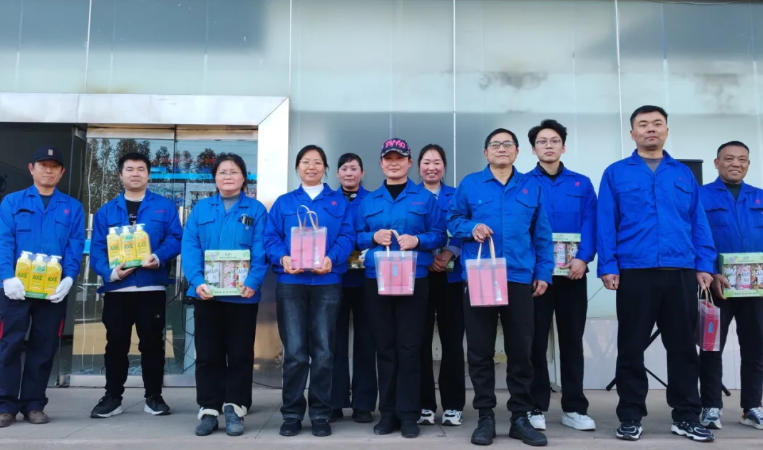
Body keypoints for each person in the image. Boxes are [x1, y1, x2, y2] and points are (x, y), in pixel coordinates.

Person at [597, 105, 717, 442]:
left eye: (657, 124)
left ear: (666, 130)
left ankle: (686, 415)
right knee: (631, 347)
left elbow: (698, 222)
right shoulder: (616, 173)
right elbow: (606, 221)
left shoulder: (683, 174)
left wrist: (704, 264)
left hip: (680, 271)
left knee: (683, 348)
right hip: (635, 272)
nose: (650, 129)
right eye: (643, 124)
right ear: (632, 133)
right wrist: (608, 265)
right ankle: (631, 415)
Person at [448, 128, 553, 447]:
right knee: (480, 350)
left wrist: (544, 272)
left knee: (521, 350)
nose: (501, 148)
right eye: (495, 144)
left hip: (519, 277)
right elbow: (452, 221)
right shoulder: (470, 184)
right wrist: (471, 227)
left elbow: (542, 235)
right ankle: (485, 416)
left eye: (508, 144)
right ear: (486, 152)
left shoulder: (531, 187)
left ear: (517, 152)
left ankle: (520, 416)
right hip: (480, 276)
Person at [356, 138, 446, 438]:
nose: (394, 163)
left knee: (409, 347)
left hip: (413, 279)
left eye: (400, 158)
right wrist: (373, 237)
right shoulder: (369, 201)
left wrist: (418, 240)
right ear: (381, 164)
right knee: (385, 347)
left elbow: (439, 235)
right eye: (388, 159)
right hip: (377, 280)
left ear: (409, 163)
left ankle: (409, 414)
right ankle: (388, 413)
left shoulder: (425, 199)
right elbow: (356, 236)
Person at [265, 145, 354, 438]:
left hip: (327, 283)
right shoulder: (284, 203)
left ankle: (320, 413)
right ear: (297, 168)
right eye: (306, 162)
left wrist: (332, 259)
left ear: (325, 168)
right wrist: (282, 258)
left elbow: (348, 235)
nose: (311, 167)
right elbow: (270, 237)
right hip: (291, 284)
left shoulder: (338, 201)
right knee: (295, 353)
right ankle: (291, 413)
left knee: (324, 352)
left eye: (317, 162)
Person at [88, 152, 183, 419]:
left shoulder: (164, 207)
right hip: (118, 290)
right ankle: (112, 397)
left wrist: (159, 256)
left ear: (148, 175)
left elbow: (176, 238)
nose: (135, 173)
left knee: (152, 344)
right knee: (115, 344)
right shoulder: (107, 211)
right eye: (129, 169)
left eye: (141, 169)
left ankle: (154, 397)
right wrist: (110, 273)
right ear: (120, 175)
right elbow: (97, 249)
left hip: (151, 288)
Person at [181, 153, 268, 437]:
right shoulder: (201, 209)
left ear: (244, 177)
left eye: (233, 172)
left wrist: (253, 281)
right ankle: (209, 408)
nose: (228, 177)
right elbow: (190, 247)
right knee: (208, 354)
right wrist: (197, 281)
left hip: (243, 296)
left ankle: (235, 407)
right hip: (207, 295)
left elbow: (261, 249)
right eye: (222, 172)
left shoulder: (255, 210)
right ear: (215, 178)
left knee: (240, 354)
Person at [0, 147, 85, 427]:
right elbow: (4, 241)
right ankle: (5, 404)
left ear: (61, 172)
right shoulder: (12, 202)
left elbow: (74, 246)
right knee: (9, 345)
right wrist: (6, 277)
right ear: (31, 168)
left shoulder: (72, 207)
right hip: (16, 290)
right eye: (43, 165)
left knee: (44, 346)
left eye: (54, 166)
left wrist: (69, 278)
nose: (48, 170)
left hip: (51, 291)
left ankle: (34, 403)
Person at [526, 120, 597, 432]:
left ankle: (574, 407)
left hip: (572, 275)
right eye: (542, 141)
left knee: (572, 341)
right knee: (535, 342)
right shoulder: (524, 184)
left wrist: (584, 258)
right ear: (533, 149)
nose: (548, 146)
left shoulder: (581, 184)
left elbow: (592, 223)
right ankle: (535, 406)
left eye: (554, 140)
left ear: (563, 147)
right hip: (537, 277)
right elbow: (521, 228)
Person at [698, 140, 763, 430]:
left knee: (756, 348)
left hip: (755, 289)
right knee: (711, 347)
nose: (736, 163)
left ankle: (752, 407)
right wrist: (710, 272)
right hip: (715, 288)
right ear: (716, 163)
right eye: (729, 158)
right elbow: (695, 238)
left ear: (748, 164)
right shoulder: (700, 197)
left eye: (742, 159)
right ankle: (711, 406)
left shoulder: (759, 197)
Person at [416, 144, 465, 428]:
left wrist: (449, 253)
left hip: (451, 277)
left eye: (436, 162)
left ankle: (453, 405)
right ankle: (424, 404)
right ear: (418, 166)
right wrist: (428, 258)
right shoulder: (411, 196)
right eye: (426, 162)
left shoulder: (456, 195)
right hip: (420, 276)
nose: (431, 167)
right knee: (419, 341)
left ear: (444, 166)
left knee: (452, 342)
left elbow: (463, 227)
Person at [330, 153, 377, 424]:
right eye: (345, 168)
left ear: (362, 173)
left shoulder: (372, 200)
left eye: (354, 168)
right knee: (333, 342)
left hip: (366, 280)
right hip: (334, 279)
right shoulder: (329, 200)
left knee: (366, 342)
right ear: (337, 173)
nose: (349, 173)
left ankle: (363, 403)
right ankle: (334, 401)